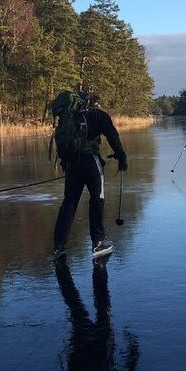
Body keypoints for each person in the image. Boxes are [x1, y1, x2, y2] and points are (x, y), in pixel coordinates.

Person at [52, 92, 128, 259]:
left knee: (69, 203)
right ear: (94, 102)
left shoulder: (69, 118)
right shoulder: (98, 115)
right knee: (97, 199)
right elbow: (112, 135)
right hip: (91, 163)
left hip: (72, 164)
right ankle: (98, 243)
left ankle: (58, 247)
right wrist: (121, 156)